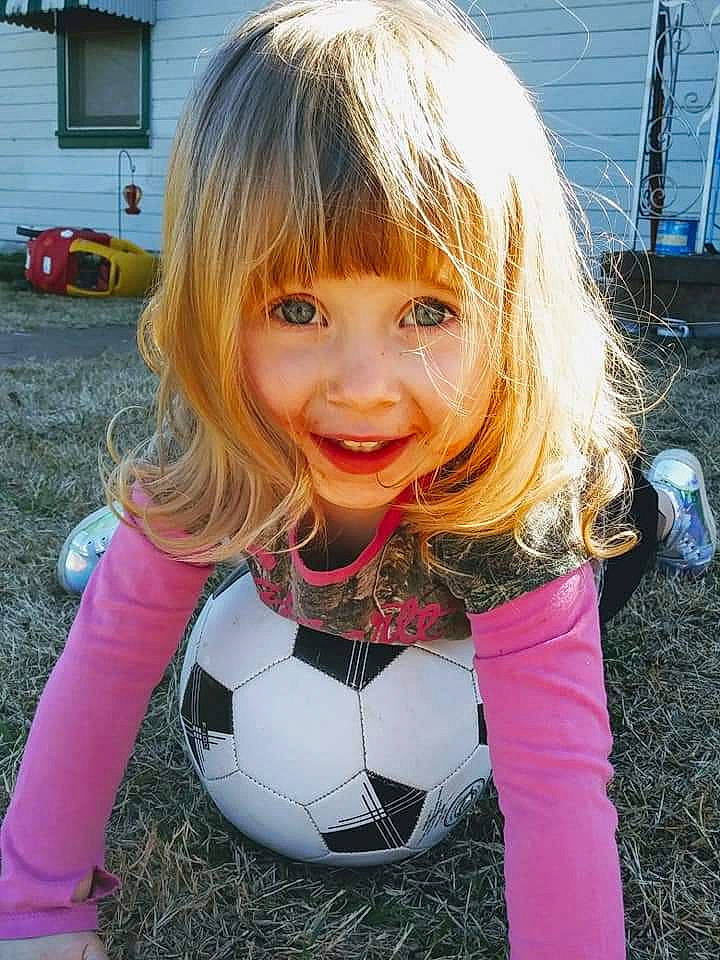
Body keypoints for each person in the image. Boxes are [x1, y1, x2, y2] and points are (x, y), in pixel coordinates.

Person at [0, 1, 716, 958]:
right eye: (297, 307)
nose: (364, 390)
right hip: (302, 535)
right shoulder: (224, 438)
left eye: (427, 310)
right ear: (216, 309)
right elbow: (109, 655)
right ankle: (131, 536)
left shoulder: (517, 514)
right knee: (167, 526)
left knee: (625, 540)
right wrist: (37, 906)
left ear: (508, 317)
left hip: (582, 534)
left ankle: (672, 498)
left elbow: (555, 783)